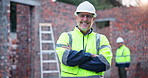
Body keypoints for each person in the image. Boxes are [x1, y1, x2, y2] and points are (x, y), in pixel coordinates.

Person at [56, 1, 112, 78]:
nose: (85, 19)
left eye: (88, 16)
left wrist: (75, 60)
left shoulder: (101, 39)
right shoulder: (66, 37)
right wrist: (90, 56)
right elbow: (65, 58)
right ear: (77, 17)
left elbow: (105, 64)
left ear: (93, 19)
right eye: (82, 15)